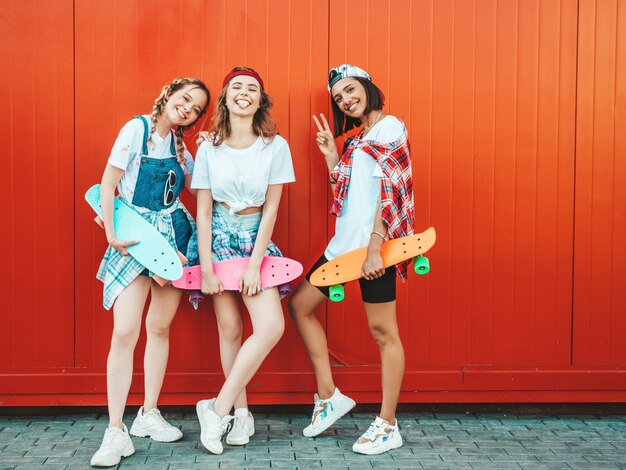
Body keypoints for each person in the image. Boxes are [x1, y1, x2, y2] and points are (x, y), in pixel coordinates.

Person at [288, 64, 414, 455]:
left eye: (350, 89)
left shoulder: (390, 127)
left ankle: (388, 424)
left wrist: (376, 246)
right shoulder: (356, 140)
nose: (345, 99)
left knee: (383, 333)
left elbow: (388, 190)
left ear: (367, 87)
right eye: (339, 96)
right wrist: (330, 157)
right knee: (300, 306)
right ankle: (329, 396)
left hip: (373, 249)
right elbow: (345, 193)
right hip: (343, 247)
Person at [91, 78, 210, 467]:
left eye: (195, 109)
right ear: (169, 93)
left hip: (171, 240)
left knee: (159, 327)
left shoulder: (181, 147)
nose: (188, 108)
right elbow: (108, 184)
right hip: (134, 239)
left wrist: (212, 151)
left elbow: (197, 187)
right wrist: (112, 233)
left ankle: (148, 413)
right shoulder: (136, 129)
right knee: (125, 332)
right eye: (185, 99)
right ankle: (115, 431)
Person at [192, 67, 295, 455]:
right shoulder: (208, 147)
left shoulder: (275, 146)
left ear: (259, 100)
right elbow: (203, 212)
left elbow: (271, 210)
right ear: (225, 98)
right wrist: (204, 268)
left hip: (255, 238)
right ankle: (242, 412)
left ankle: (215, 409)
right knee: (230, 328)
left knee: (270, 326)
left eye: (252, 89)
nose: (244, 93)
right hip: (217, 237)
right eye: (237, 87)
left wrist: (255, 264)